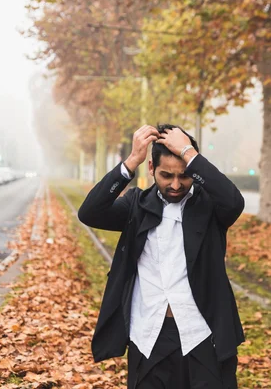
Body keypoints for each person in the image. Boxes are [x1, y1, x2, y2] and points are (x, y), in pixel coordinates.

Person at [78, 124, 245, 388]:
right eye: (166, 175)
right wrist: (132, 160)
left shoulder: (210, 207)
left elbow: (235, 202)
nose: (176, 185)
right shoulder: (136, 204)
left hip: (201, 334)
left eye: (184, 175)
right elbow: (89, 213)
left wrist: (189, 152)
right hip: (148, 335)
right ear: (151, 169)